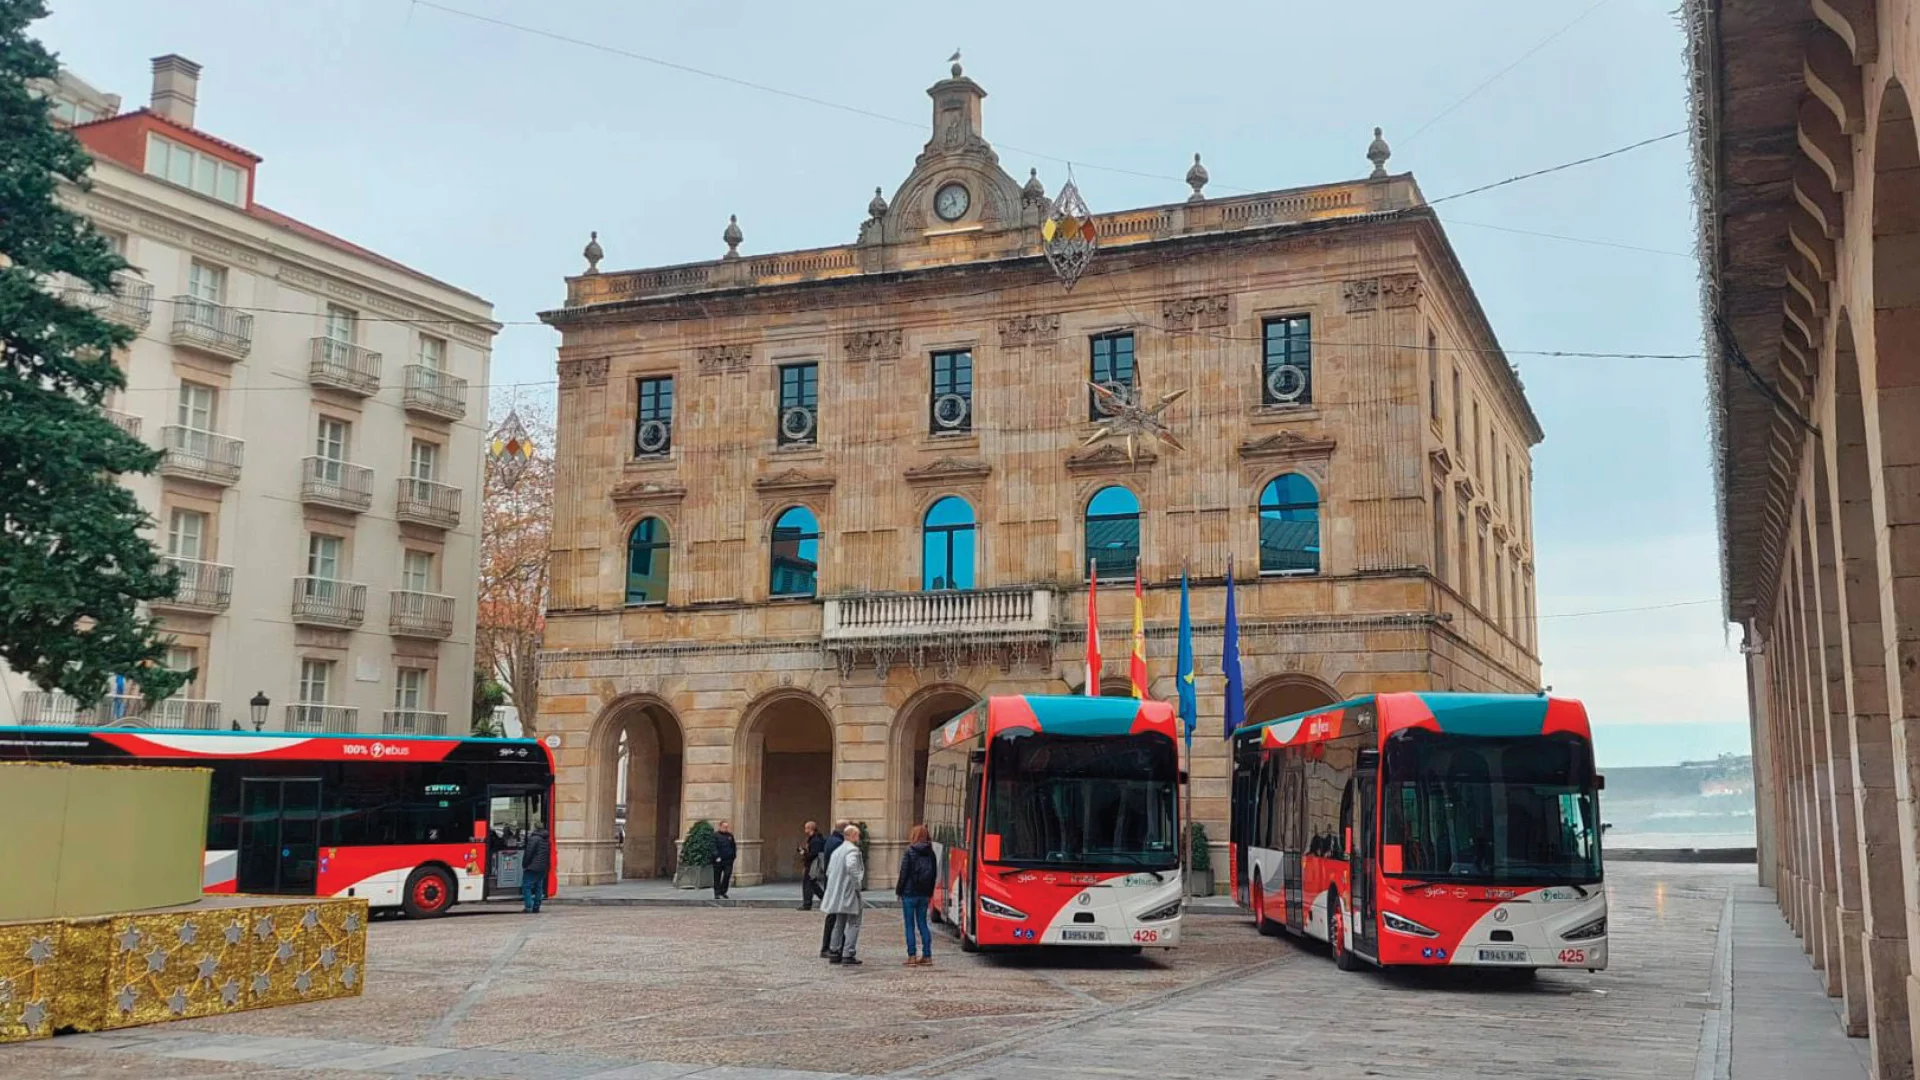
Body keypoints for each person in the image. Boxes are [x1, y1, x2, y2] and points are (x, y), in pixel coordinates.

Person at [821, 824, 866, 966]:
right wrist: (857, 884)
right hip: (849, 892)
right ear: (851, 836)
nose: (858, 838)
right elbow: (852, 867)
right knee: (854, 923)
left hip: (838, 891)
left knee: (839, 922)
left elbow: (828, 871)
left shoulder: (837, 851)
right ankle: (848, 952)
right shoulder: (852, 851)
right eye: (857, 835)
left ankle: (834, 951)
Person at [895, 824, 937, 967]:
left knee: (909, 925)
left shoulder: (910, 851)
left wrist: (899, 891)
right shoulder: (931, 853)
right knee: (923, 924)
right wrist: (930, 892)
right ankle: (927, 955)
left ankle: (912, 956)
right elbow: (934, 875)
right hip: (924, 894)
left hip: (909, 893)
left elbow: (904, 873)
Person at [818, 820, 849, 957]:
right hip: (835, 883)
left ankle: (834, 945)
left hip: (831, 883)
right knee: (835, 915)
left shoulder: (832, 840)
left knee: (834, 915)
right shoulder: (838, 843)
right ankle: (831, 947)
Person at [520, 820, 550, 914]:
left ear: (535, 828)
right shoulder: (546, 839)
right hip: (542, 867)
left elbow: (529, 853)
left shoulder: (534, 838)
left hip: (532, 867)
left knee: (526, 886)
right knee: (538, 887)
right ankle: (536, 906)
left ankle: (528, 906)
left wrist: (524, 864)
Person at [798, 821, 827, 911]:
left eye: (806, 828)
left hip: (812, 865)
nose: (805, 830)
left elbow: (814, 853)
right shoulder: (813, 839)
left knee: (808, 883)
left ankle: (807, 903)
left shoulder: (815, 840)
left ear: (811, 829)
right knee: (812, 884)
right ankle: (824, 899)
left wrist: (804, 853)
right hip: (810, 864)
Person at [713, 820, 738, 900]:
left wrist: (733, 856)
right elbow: (713, 847)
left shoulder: (730, 836)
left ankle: (723, 891)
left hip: (728, 860)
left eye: (727, 827)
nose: (726, 828)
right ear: (720, 827)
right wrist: (716, 856)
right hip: (718, 860)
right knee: (717, 877)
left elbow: (733, 846)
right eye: (724, 827)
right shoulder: (715, 836)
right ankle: (717, 893)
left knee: (727, 875)